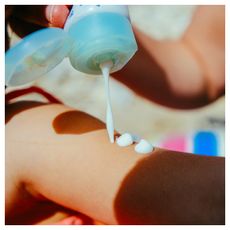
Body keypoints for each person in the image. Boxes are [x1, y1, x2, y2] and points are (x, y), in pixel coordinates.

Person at [5, 5, 225, 225]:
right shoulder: (26, 140)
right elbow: (202, 64)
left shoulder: (30, 138)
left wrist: (93, 24)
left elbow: (205, 64)